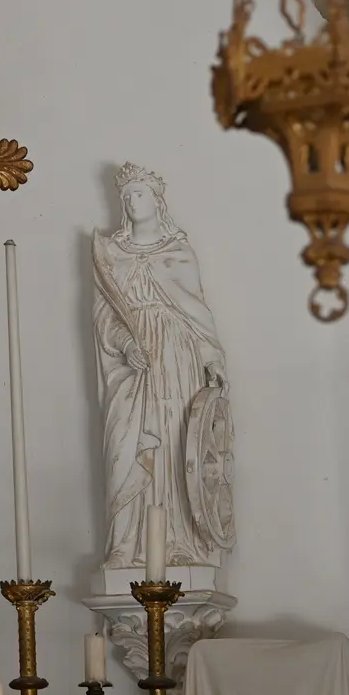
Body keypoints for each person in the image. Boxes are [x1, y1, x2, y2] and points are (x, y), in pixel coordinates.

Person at [91, 163, 231, 570]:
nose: (132, 201)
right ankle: (127, 543)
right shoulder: (110, 255)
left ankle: (180, 541)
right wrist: (125, 342)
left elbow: (197, 311)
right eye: (127, 195)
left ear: (157, 201)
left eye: (140, 194)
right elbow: (103, 317)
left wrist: (211, 359)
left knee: (175, 443)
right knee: (126, 442)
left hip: (177, 357)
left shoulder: (178, 252)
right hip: (134, 366)